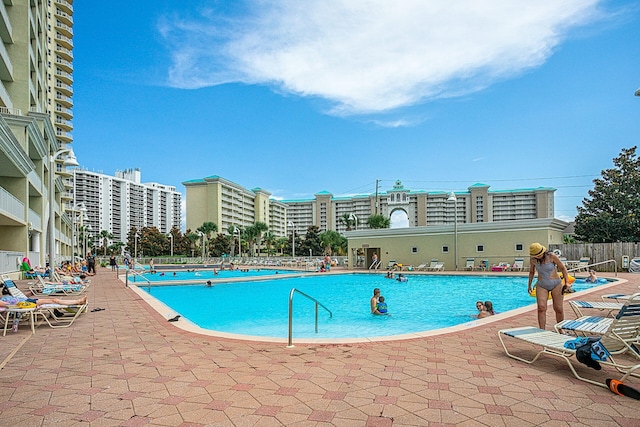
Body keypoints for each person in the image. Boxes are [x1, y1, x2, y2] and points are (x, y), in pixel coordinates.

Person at [527, 242, 569, 329]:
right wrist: (529, 285)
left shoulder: (551, 256)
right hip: (542, 285)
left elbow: (563, 268)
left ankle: (561, 329)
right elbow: (531, 272)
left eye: (539, 254)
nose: (538, 256)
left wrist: (567, 282)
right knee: (541, 307)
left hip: (556, 284)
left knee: (558, 308)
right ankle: (542, 330)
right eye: (536, 255)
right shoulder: (533, 260)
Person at [1, 294, 88, 308]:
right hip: (25, 303)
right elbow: (9, 305)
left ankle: (79, 301)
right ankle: (78, 301)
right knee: (55, 300)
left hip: (25, 300)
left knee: (54, 300)